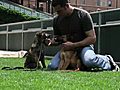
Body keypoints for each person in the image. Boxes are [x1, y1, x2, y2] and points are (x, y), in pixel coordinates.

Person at [47, 0, 119, 71]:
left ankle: (107, 60)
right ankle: (79, 65)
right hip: (68, 50)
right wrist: (50, 42)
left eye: (59, 11)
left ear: (66, 6)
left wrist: (73, 45)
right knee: (52, 66)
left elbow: (92, 38)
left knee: (89, 60)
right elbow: (57, 38)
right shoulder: (56, 20)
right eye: (56, 12)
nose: (58, 14)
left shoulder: (82, 15)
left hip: (84, 47)